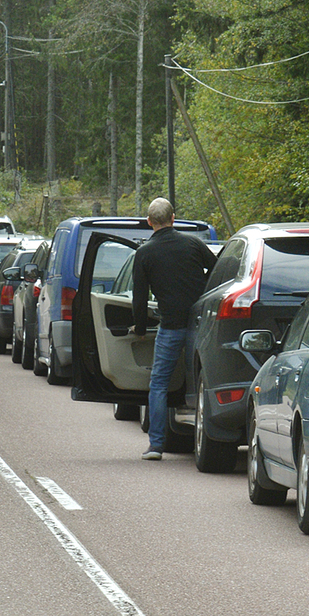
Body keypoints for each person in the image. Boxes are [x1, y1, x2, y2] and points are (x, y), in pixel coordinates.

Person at [127, 197, 214, 460]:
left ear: (149, 222)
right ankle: (208, 438)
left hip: (171, 326)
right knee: (204, 380)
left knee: (159, 383)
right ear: (173, 218)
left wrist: (140, 328)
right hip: (201, 324)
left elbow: (139, 298)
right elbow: (219, 271)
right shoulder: (193, 244)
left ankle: (156, 445)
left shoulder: (144, 253)